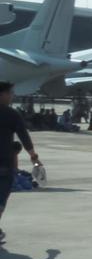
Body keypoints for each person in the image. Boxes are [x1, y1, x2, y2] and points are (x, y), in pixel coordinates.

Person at [0, 81, 41, 246]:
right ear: (2, 94)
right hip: (3, 163)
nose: (12, 96)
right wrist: (33, 156)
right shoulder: (11, 114)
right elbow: (24, 136)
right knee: (1, 199)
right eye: (10, 93)